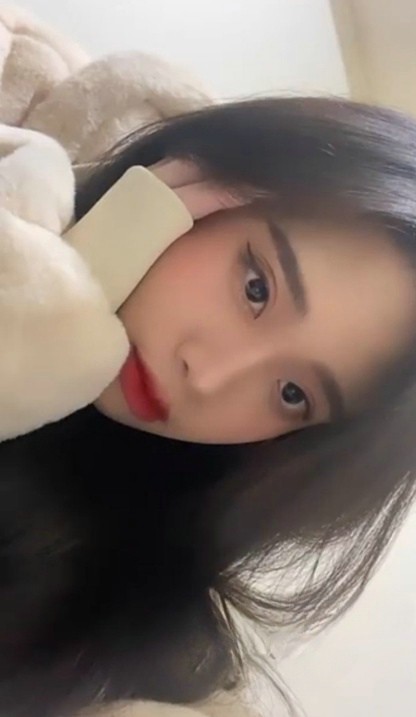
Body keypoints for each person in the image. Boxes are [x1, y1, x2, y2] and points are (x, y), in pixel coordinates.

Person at [1, 5, 416, 717]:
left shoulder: (143, 641)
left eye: (292, 393)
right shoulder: (27, 124)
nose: (210, 376)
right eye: (256, 287)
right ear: (197, 176)